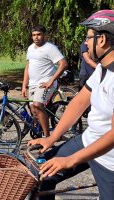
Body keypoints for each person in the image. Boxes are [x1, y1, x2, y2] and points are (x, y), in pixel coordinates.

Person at [28, 10, 114, 200]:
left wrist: (71, 160)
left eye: (88, 37)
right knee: (41, 174)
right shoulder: (101, 68)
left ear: (102, 40)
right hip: (89, 140)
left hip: (110, 161)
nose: (85, 42)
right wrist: (52, 138)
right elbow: (79, 102)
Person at [21, 25, 68, 137]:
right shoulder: (30, 48)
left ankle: (48, 138)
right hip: (33, 84)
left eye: (38, 34)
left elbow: (63, 64)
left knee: (37, 105)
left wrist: (51, 81)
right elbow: (27, 67)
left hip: (46, 83)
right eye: (33, 35)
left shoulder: (50, 48)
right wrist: (24, 85)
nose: (36, 37)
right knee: (33, 110)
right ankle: (38, 134)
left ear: (44, 35)